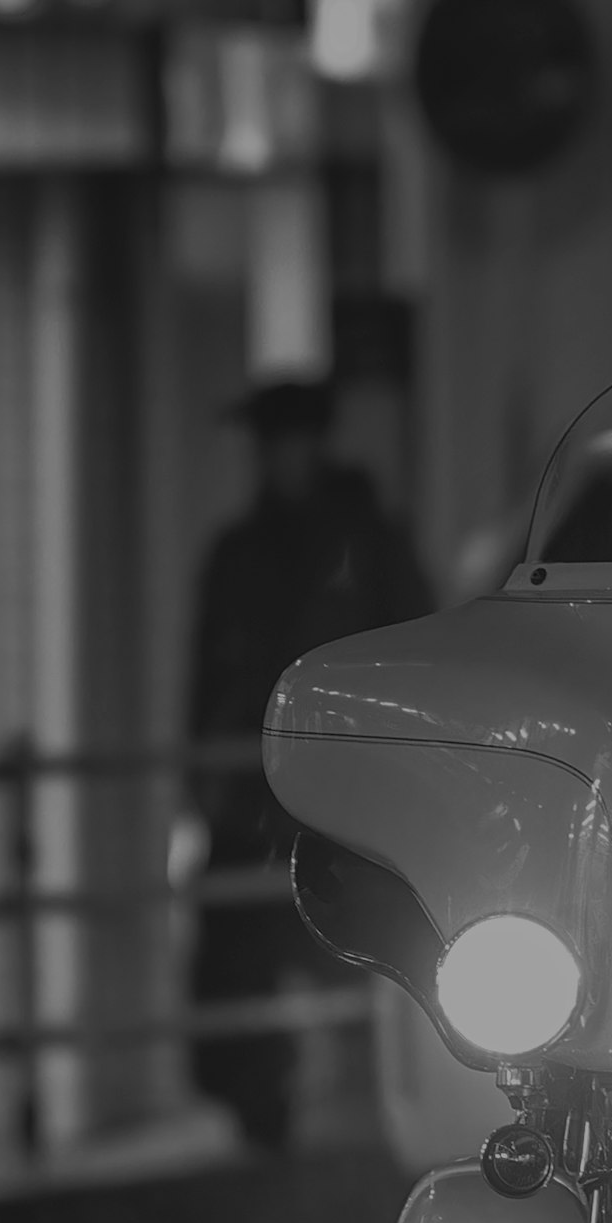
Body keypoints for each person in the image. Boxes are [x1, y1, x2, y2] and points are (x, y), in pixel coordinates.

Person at [187, 377, 430, 1150]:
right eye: (267, 443)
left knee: (361, 929)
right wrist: (202, 773)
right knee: (235, 949)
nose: (275, 458)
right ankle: (263, 1114)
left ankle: (370, 1110)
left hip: (345, 784)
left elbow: (414, 648)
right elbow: (206, 675)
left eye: (286, 440)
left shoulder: (369, 541)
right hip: (254, 787)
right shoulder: (238, 550)